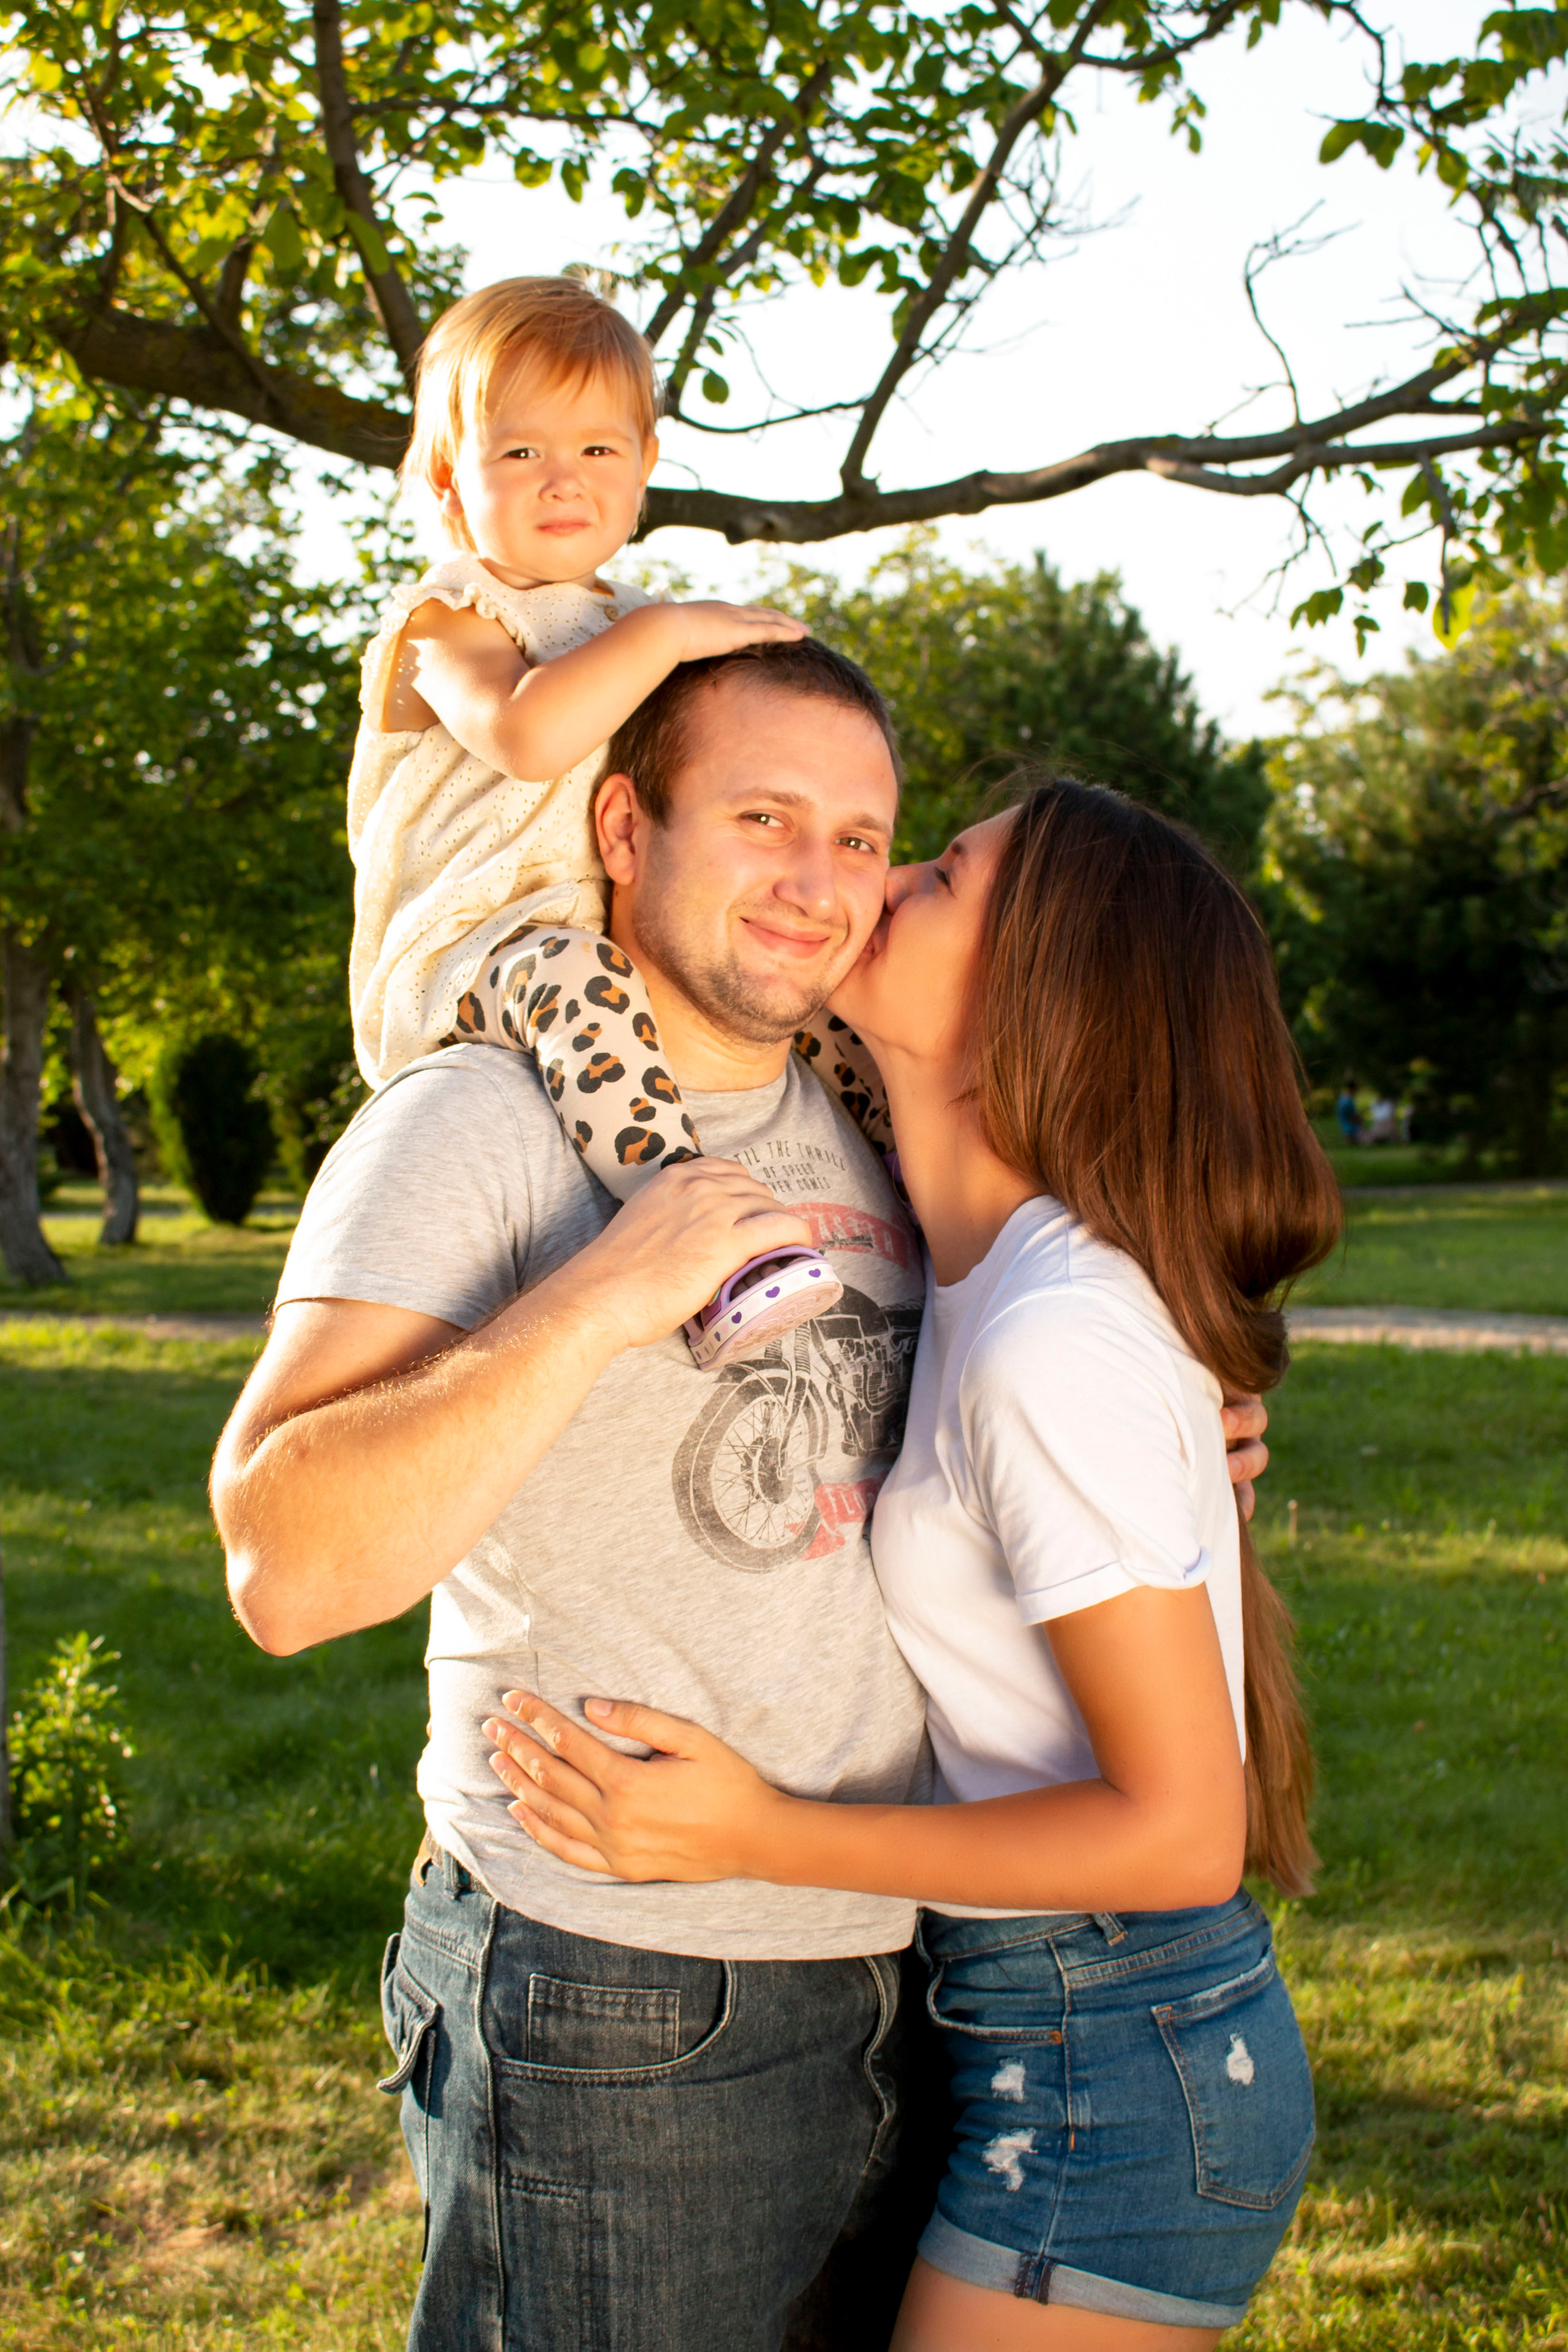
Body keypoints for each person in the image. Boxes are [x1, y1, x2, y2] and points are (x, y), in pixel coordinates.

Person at [211, 670, 1271, 2352]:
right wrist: (591, 1302)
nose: (819, 876)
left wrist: (1171, 1441)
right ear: (627, 829)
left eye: (865, 839)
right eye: (762, 819)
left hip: (921, 1979)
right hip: (623, 1993)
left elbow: (1017, 1419)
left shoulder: (874, 1120)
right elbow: (283, 1568)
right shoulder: (475, 1127)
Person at [481, 779, 1340, 2351]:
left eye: (940, 876)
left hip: (1119, 2070)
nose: (875, 885)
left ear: (1044, 993)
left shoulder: (1048, 1333)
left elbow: (1179, 1838)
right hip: (1053, 2032)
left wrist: (758, 1832)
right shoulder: (993, 1278)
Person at [350, 272, 889, 1368]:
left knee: (833, 1019)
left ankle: (933, 1168)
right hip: (473, 949)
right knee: (583, 987)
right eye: (520, 454)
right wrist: (670, 636)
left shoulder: (640, 625)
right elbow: (526, 736)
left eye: (599, 451)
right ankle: (712, 1259)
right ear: (453, 481)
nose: (564, 480)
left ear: (644, 469)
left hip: (588, 945)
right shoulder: (449, 618)